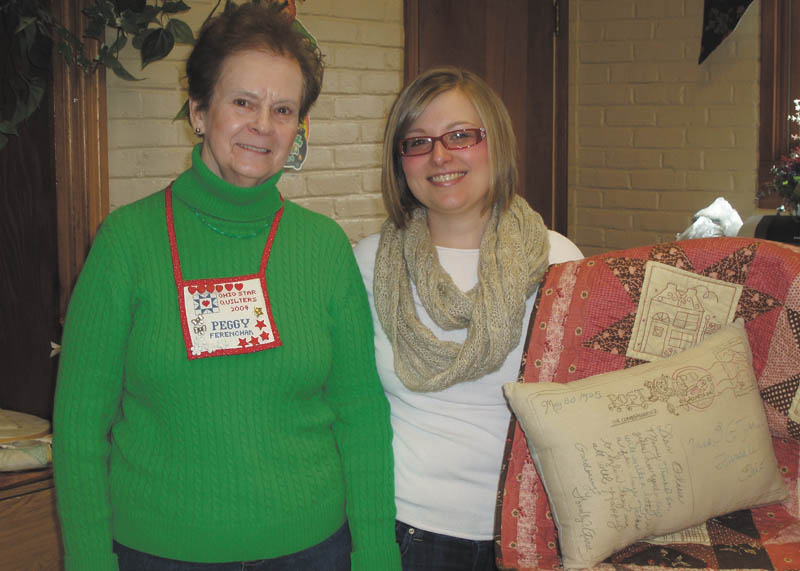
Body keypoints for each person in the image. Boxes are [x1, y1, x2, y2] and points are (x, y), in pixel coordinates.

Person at [53, 4, 400, 570]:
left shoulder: (324, 247)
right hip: (159, 555)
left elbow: (360, 413)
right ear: (198, 110)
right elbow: (79, 427)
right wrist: (89, 561)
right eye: (242, 102)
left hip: (313, 551)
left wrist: (377, 553)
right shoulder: (126, 243)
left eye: (283, 109)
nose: (263, 124)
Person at [353, 67, 583, 571]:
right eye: (418, 142)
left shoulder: (559, 260)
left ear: (495, 141)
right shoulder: (366, 264)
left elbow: (585, 405)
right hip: (410, 533)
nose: (440, 155)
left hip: (536, 531)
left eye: (460, 135)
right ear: (400, 163)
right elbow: (350, 410)